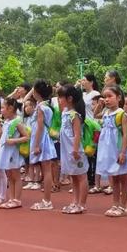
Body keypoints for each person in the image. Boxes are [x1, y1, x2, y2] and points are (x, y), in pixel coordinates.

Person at [96, 85, 127, 217]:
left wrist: (122, 152)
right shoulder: (105, 112)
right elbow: (94, 114)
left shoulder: (121, 114)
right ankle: (115, 204)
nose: (107, 99)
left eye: (110, 96)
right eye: (105, 97)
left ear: (118, 98)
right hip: (108, 150)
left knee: (123, 178)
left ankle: (123, 206)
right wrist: (100, 105)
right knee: (114, 178)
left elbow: (125, 135)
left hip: (117, 149)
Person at [58, 84, 89, 214]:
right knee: (73, 176)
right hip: (66, 150)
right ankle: (74, 201)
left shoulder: (75, 115)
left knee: (81, 176)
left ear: (69, 98)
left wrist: (75, 150)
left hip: (75, 150)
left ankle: (82, 203)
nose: (59, 100)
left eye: (61, 97)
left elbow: (77, 134)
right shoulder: (65, 113)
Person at [28, 80, 59, 211]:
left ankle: (47, 200)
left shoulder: (41, 107)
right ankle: (46, 200)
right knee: (46, 170)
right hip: (44, 138)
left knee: (46, 170)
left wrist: (36, 145)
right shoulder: (47, 106)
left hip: (42, 139)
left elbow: (40, 127)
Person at [0, 98, 29, 209]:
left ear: (10, 108)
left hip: (13, 153)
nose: (1, 110)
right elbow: (0, 135)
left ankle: (17, 199)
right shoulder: (7, 122)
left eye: (3, 108)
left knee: (16, 176)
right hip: (6, 152)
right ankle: (11, 198)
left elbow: (26, 137)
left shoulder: (17, 121)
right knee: (10, 175)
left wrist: (13, 141)